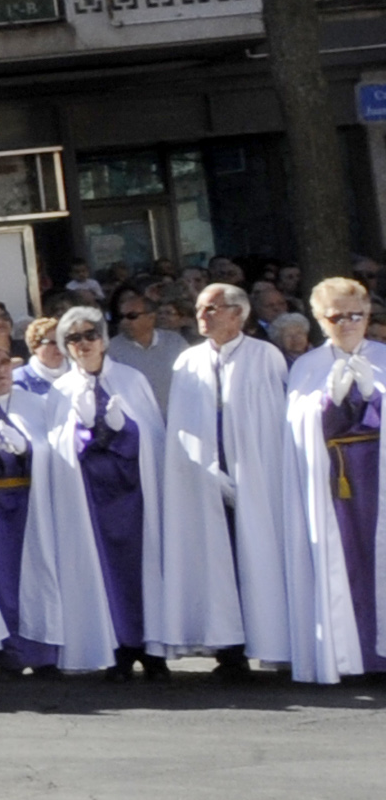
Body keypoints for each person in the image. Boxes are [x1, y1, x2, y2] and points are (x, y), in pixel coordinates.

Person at [0, 339, 108, 676]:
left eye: (5, 362)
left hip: (32, 506)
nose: (0, 370)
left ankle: (44, 653)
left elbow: (60, 450)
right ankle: (8, 654)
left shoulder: (38, 405)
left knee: (40, 574)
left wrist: (27, 449)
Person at [156, 282, 291, 678]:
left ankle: (268, 637)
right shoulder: (188, 362)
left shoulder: (264, 356)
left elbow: (271, 420)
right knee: (216, 559)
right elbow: (183, 425)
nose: (203, 315)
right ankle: (228, 646)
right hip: (205, 479)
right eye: (199, 308)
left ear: (238, 313)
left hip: (254, 473)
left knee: (257, 553)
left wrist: (249, 467)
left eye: (212, 308)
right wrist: (201, 468)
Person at [50, 305, 167, 680]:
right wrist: (80, 431)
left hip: (134, 495)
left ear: (103, 339)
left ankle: (152, 649)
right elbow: (56, 448)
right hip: (89, 500)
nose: (83, 344)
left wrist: (126, 428)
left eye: (90, 335)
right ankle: (116, 648)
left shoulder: (132, 380)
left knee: (143, 569)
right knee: (103, 573)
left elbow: (152, 436)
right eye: (73, 338)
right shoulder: (60, 391)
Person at [285, 278, 386, 680]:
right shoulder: (308, 366)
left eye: (355, 315)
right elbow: (300, 423)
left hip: (378, 480)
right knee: (342, 565)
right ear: (320, 321)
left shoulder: (382, 356)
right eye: (335, 316)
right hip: (334, 483)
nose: (346, 324)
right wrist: (329, 400)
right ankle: (348, 655)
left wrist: (374, 396)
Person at [107, 287, 189, 416]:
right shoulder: (111, 349)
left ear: (151, 317)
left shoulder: (175, 342)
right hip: (137, 427)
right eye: (121, 317)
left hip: (177, 420)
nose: (124, 321)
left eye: (131, 316)